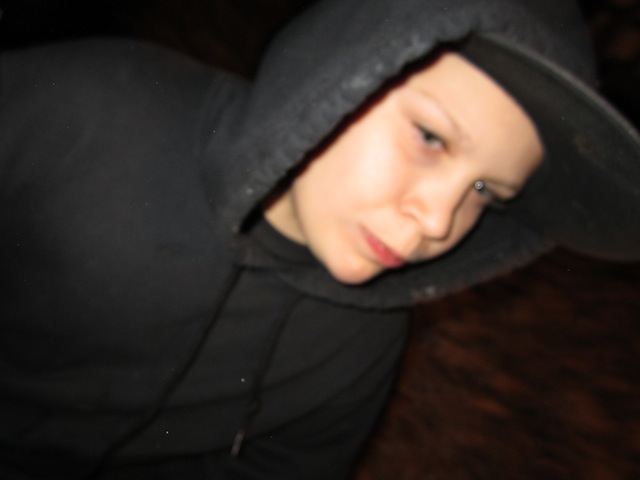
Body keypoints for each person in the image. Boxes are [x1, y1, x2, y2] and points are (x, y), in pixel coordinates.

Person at [1, 0, 639, 479]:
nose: (438, 220)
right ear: (344, 65)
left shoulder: (363, 339)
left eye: (484, 191)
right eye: (431, 137)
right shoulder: (89, 111)